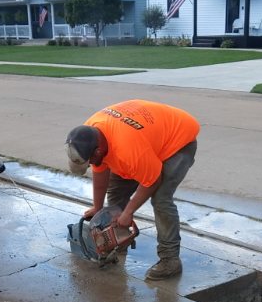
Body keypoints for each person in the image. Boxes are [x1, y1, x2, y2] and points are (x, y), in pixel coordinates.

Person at [65, 100, 200, 280]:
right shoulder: (89, 134)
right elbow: (100, 173)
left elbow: (152, 181)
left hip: (178, 139)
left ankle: (170, 260)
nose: (90, 165)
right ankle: (118, 242)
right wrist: (97, 208)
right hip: (145, 138)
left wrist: (128, 213)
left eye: (89, 162)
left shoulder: (128, 151)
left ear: (97, 152)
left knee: (161, 199)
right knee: (116, 192)